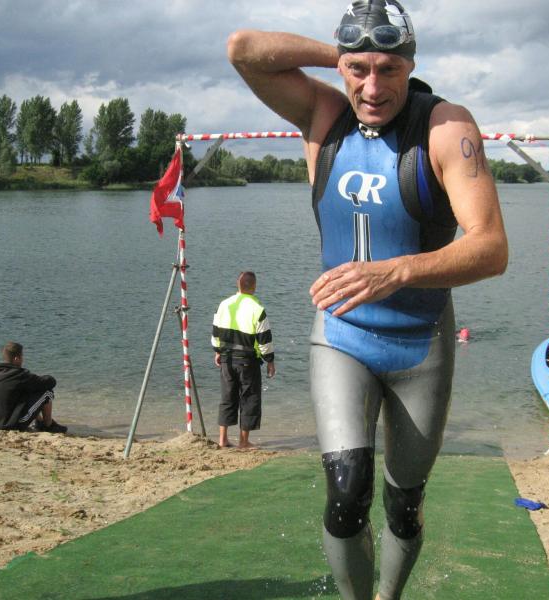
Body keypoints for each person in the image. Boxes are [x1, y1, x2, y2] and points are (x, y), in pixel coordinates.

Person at [227, 2, 508, 597]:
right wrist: (343, 53)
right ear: (341, 68)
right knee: (346, 489)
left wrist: (398, 271)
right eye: (358, 70)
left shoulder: (445, 127)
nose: (373, 88)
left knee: (403, 503)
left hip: (421, 345)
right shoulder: (324, 114)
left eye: (389, 69)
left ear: (411, 66)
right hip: (342, 337)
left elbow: (491, 248)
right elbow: (243, 49)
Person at [211, 271, 275, 450]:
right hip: (248, 361)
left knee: (227, 397)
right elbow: (264, 340)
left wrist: (218, 351)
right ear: (254, 286)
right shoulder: (257, 309)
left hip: (227, 358)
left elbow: (216, 332)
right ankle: (243, 442)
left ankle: (222, 439)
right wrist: (270, 360)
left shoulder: (224, 304)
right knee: (249, 398)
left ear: (237, 285)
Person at [0, 342, 67, 433]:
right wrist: (40, 377)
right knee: (47, 393)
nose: (23, 359)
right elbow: (50, 382)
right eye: (22, 356)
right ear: (16, 359)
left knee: (25, 390)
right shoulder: (19, 374)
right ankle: (48, 425)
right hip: (10, 425)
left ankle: (39, 421)